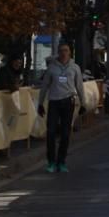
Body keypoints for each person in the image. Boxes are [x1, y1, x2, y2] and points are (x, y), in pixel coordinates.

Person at [36, 43, 86, 173]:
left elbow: (80, 86)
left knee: (65, 133)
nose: (64, 53)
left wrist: (83, 103)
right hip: (54, 102)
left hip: (68, 102)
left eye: (66, 50)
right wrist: (40, 103)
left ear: (70, 53)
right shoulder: (52, 68)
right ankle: (51, 162)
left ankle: (61, 161)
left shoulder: (75, 68)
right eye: (61, 50)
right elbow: (45, 86)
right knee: (51, 132)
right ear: (58, 53)